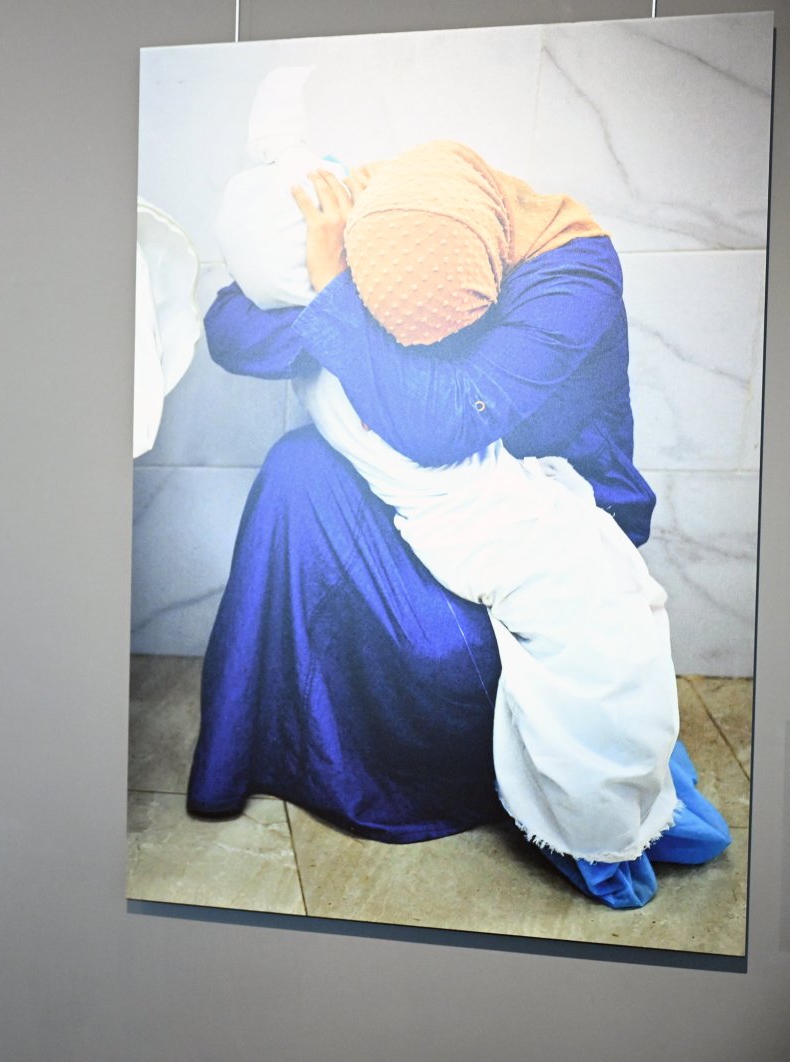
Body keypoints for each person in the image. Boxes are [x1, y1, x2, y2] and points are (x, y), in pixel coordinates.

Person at [189, 139, 731, 907]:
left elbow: (442, 422)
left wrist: (337, 295)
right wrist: (331, 278)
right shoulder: (399, 217)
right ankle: (272, 747)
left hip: (540, 503)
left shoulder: (572, 275)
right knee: (296, 469)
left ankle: (588, 803)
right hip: (431, 491)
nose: (422, 340)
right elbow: (232, 330)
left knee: (482, 643)